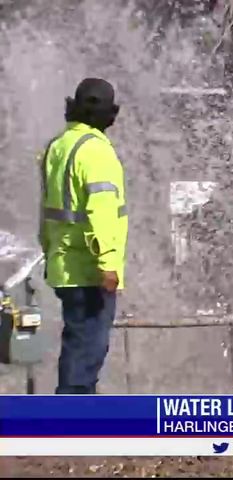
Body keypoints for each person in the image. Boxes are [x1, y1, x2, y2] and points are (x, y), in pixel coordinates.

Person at [39, 78, 128, 394]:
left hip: (64, 265)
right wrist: (107, 264)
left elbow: (47, 211)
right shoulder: (97, 152)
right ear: (110, 114)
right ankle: (72, 425)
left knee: (78, 345)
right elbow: (101, 211)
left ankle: (76, 417)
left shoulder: (58, 147)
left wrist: (49, 250)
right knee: (86, 353)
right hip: (90, 270)